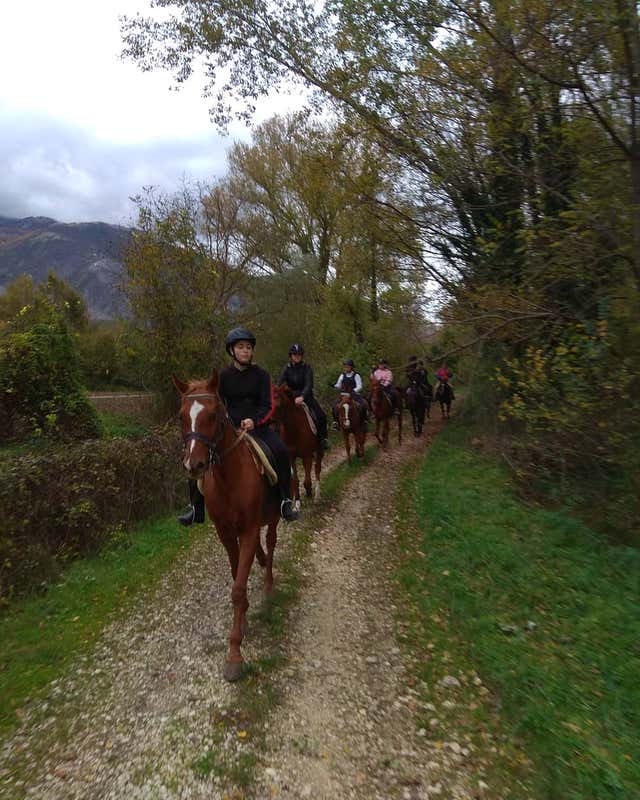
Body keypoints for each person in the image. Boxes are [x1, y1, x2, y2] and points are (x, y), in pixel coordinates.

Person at [178, 326, 299, 526]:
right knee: (196, 456)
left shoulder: (262, 375)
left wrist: (254, 421)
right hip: (231, 428)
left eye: (248, 347)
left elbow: (268, 405)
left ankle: (285, 501)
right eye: (241, 347)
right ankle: (195, 507)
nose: (245, 351)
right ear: (232, 351)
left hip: (258, 428)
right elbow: (215, 405)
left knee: (281, 451)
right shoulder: (223, 376)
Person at [278, 343, 329, 450]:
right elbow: (281, 383)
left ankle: (323, 439)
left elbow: (309, 384)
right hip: (291, 399)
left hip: (306, 397)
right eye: (295, 354)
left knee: (321, 416)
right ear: (291, 356)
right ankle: (278, 445)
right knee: (277, 417)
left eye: (299, 354)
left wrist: (302, 396)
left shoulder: (307, 367)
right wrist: (284, 393)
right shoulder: (286, 369)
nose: (297, 356)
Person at [332, 358, 368, 426]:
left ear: (351, 367)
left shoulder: (356, 375)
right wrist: (334, 385)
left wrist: (353, 391)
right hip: (343, 395)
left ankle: (364, 420)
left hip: (354, 395)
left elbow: (359, 386)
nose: (346, 368)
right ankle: (336, 421)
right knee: (334, 406)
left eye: (347, 367)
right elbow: (339, 385)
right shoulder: (342, 375)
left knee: (362, 405)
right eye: (345, 367)